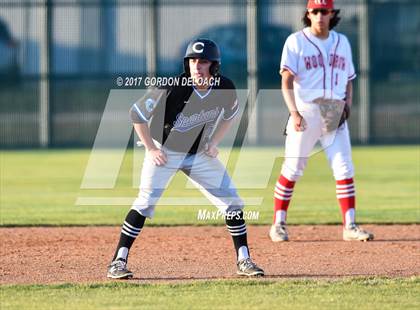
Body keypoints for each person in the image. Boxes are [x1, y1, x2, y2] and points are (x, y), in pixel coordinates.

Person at [107, 38, 264, 279]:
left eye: (203, 62)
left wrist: (214, 142)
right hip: (165, 151)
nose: (197, 66)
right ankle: (118, 261)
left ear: (214, 65)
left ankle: (244, 260)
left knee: (233, 202)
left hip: (198, 153)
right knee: (145, 202)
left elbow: (230, 115)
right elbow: (136, 114)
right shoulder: (172, 86)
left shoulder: (225, 87)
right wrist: (151, 149)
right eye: (192, 61)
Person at [269, 0, 374, 242]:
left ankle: (350, 225)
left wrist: (347, 104)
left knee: (344, 168)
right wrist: (294, 112)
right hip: (305, 110)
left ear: (331, 14)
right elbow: (286, 81)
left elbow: (349, 79)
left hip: (334, 111)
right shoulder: (296, 41)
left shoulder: (342, 42)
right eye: (315, 11)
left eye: (324, 11)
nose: (319, 16)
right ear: (308, 14)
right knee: (293, 168)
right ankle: (278, 224)